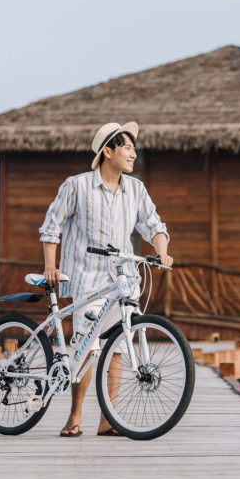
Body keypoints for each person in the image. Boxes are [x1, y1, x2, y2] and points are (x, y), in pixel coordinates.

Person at [38, 121, 173, 437]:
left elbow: (153, 224)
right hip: (88, 278)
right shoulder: (77, 186)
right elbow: (51, 226)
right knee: (86, 346)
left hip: (123, 280)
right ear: (107, 151)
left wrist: (163, 251)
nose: (133, 153)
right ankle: (74, 416)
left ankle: (108, 420)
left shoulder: (135, 189)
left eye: (133, 148)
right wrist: (50, 267)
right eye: (127, 147)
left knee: (117, 348)